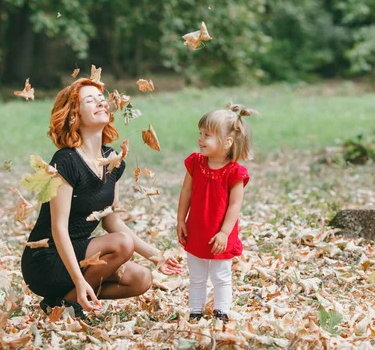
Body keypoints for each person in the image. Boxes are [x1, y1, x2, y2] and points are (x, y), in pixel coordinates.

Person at [21, 78, 182, 319]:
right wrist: (78, 279)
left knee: (141, 279)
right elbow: (58, 228)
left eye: (101, 99)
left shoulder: (113, 160)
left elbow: (112, 221)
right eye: (89, 100)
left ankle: (60, 301)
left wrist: (156, 256)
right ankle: (73, 301)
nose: (101, 103)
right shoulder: (65, 161)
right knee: (121, 244)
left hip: (81, 255)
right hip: (47, 261)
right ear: (74, 115)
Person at [176, 103, 255, 323]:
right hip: (197, 229)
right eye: (200, 133)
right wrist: (181, 219)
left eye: (207, 135)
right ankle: (195, 311)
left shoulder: (234, 172)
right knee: (197, 275)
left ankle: (222, 311)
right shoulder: (195, 163)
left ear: (227, 142)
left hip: (221, 232)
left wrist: (224, 233)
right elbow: (186, 191)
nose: (200, 139)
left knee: (221, 275)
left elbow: (234, 205)